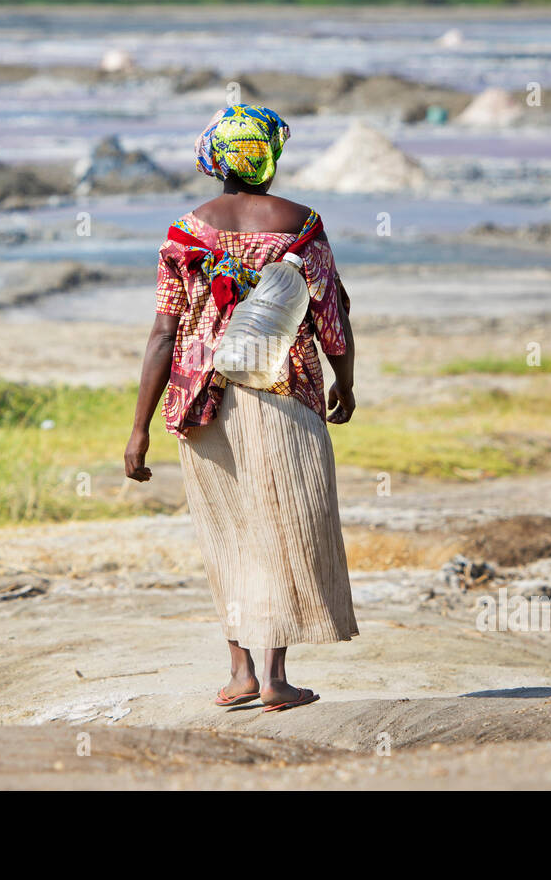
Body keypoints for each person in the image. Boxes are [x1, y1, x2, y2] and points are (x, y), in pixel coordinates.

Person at [124, 104, 358, 713]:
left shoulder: (185, 231)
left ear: (213, 160)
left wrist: (138, 430)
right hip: (286, 391)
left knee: (226, 530)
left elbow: (162, 334)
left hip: (201, 398)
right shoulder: (301, 224)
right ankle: (277, 677)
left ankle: (240, 672)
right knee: (277, 527)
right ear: (270, 158)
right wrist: (346, 382)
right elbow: (333, 313)